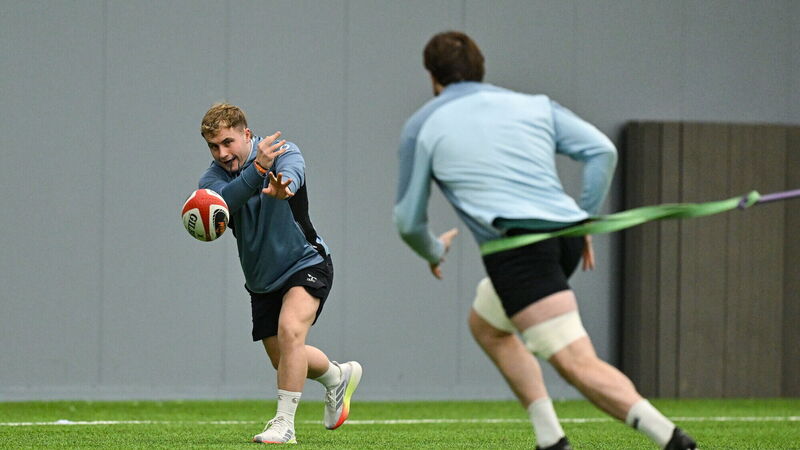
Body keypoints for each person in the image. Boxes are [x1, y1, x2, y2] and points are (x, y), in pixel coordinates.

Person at [393, 31, 697, 450]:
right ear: (481, 68)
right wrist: (583, 220)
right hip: (563, 240)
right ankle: (550, 440)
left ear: (432, 77)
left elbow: (408, 221)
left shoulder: (421, 125)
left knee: (576, 362)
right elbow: (602, 151)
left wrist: (435, 249)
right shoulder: (534, 105)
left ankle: (673, 440)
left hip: (519, 252)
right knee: (486, 326)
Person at [197, 103, 362, 444]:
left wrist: (284, 188)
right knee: (284, 358)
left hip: (305, 262)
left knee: (290, 332)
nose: (222, 153)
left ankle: (284, 425)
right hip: (261, 281)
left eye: (228, 142)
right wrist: (256, 171)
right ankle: (337, 377)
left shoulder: (282, 152)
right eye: (214, 146)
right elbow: (221, 201)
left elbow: (292, 176)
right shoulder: (213, 179)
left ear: (246, 134)